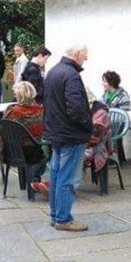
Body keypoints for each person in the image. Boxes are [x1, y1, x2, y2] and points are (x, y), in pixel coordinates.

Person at [43, 44, 92, 232]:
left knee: (56, 175)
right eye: (85, 55)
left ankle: (56, 216)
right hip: (70, 135)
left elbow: (46, 102)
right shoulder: (71, 75)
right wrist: (88, 126)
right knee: (68, 178)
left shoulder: (54, 71)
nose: (86, 59)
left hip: (56, 133)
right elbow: (76, 108)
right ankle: (63, 219)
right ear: (77, 54)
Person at [4, 81, 48, 193]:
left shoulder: (12, 112)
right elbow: (43, 130)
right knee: (48, 149)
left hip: (12, 152)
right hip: (33, 153)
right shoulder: (40, 110)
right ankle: (36, 178)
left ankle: (33, 179)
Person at [100, 70, 130, 163]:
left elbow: (123, 112)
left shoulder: (123, 95)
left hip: (117, 123)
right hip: (107, 122)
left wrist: (108, 110)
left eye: (104, 81)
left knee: (103, 132)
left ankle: (114, 159)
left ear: (111, 82)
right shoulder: (105, 93)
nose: (103, 83)